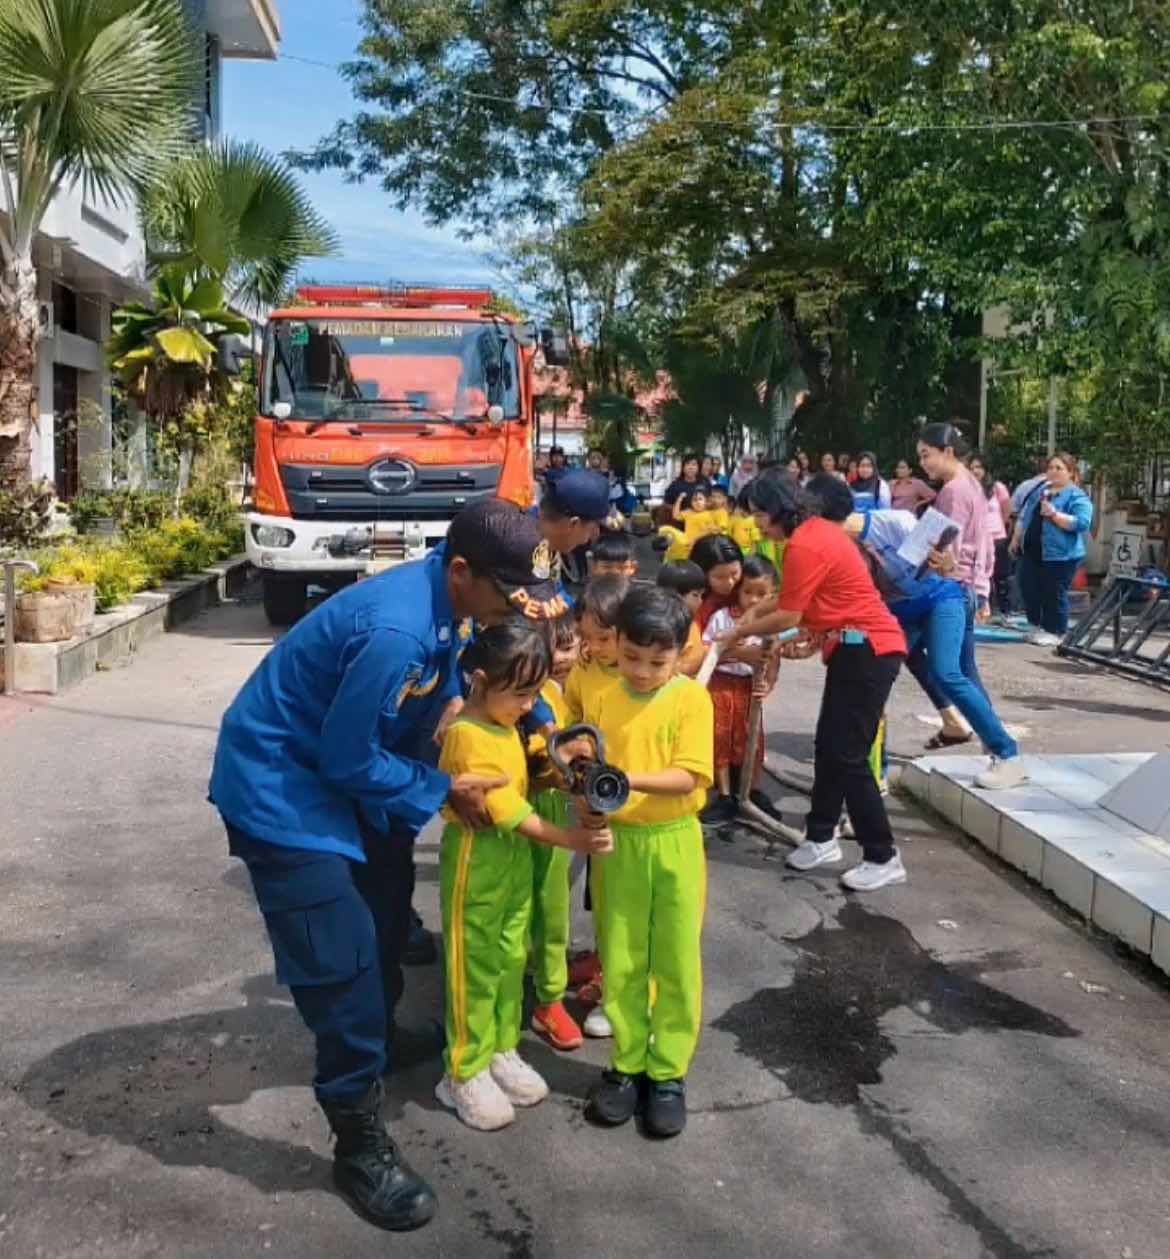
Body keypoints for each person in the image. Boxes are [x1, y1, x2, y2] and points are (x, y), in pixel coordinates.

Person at [209, 499, 566, 1233]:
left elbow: (497, 660)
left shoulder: (462, 601)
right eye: (505, 593)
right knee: (340, 957)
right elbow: (343, 756)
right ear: (462, 571)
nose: (514, 609)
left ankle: (377, 1030)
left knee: (387, 907)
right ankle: (357, 1138)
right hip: (286, 785)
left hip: (359, 771)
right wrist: (438, 789)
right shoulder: (399, 628)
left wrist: (545, 728)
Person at [435, 622, 612, 1131]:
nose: (527, 704)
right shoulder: (469, 734)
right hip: (479, 859)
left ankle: (500, 1048)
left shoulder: (504, 724)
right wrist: (573, 838)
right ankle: (462, 1069)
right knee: (475, 962)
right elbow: (510, 811)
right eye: (519, 694)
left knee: (512, 954)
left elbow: (532, 775)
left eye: (534, 693)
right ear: (479, 680)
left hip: (509, 861)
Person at [727, 472, 908, 891]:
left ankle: (882, 854)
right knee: (829, 747)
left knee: (848, 755)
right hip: (850, 649)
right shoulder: (813, 535)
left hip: (869, 651)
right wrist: (756, 616)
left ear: (777, 510)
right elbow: (794, 598)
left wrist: (738, 632)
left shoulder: (806, 543)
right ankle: (821, 836)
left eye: (758, 514)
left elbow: (790, 615)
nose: (756, 523)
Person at [581, 586, 714, 1137]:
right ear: (616, 646)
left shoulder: (689, 699)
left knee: (676, 956)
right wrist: (590, 809)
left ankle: (667, 1071)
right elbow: (590, 776)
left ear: (680, 654)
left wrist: (627, 779)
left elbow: (689, 775)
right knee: (623, 952)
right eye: (631, 657)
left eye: (656, 661)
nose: (641, 670)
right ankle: (627, 1061)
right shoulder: (605, 699)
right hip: (619, 844)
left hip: (675, 838)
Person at [917, 422, 1026, 788]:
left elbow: (945, 547)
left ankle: (1005, 751)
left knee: (945, 671)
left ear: (947, 451)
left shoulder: (953, 491)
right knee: (962, 669)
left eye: (926, 455)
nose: (923, 464)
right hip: (963, 588)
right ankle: (997, 748)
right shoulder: (972, 486)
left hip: (949, 589)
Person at [526, 612, 586, 1052]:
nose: (563, 658)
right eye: (555, 648)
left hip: (564, 811)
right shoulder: (527, 694)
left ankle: (548, 993)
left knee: (553, 905)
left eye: (571, 646)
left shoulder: (580, 690)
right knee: (526, 908)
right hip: (527, 809)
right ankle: (533, 996)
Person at [700, 555, 780, 824]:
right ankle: (724, 795)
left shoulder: (772, 623)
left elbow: (773, 657)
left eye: (762, 594)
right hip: (721, 687)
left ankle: (750, 790)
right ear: (738, 591)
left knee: (752, 740)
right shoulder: (722, 618)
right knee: (719, 738)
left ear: (773, 594)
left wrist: (767, 683)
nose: (754, 600)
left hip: (749, 689)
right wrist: (740, 653)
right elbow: (710, 650)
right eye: (748, 592)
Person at [1011, 452, 1093, 646]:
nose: (1053, 472)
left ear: (1071, 473)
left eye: (1059, 468)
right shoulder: (1042, 490)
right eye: (1050, 468)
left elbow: (1082, 523)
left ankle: (1056, 631)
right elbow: (1026, 515)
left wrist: (1056, 515)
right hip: (1033, 550)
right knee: (1029, 587)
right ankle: (1038, 626)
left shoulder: (1076, 496)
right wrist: (1016, 537)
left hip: (1061, 555)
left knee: (1053, 592)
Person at [539, 469, 612, 590]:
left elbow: (553, 595)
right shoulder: (525, 548)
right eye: (591, 529)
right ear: (574, 524)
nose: (590, 538)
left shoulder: (548, 545)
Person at [968, 453, 1013, 617]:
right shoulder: (967, 487)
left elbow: (1007, 510)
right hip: (976, 538)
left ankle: (1005, 611)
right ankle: (983, 607)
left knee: (1001, 575)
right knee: (980, 574)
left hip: (996, 537)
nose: (975, 471)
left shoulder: (997, 487)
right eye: (971, 468)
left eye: (978, 467)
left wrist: (997, 525)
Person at [657, 560, 708, 676]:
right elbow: (675, 670)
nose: (700, 601)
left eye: (702, 595)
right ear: (675, 595)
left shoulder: (691, 621)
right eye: (695, 595)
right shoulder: (668, 629)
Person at [690, 534, 744, 632]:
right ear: (703, 574)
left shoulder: (749, 587)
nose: (730, 582)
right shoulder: (695, 602)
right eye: (719, 577)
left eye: (734, 573)